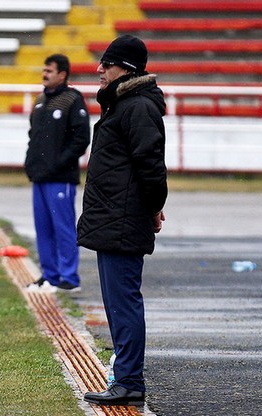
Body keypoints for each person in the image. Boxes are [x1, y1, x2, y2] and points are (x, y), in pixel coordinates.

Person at [77, 35, 168, 406]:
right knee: (116, 303)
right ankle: (125, 376)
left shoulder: (136, 107)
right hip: (113, 217)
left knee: (124, 302)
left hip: (122, 218)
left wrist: (152, 207)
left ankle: (129, 380)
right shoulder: (124, 104)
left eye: (107, 64)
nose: (99, 69)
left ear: (126, 69)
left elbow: (151, 166)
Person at [24, 54, 91, 294]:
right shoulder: (41, 100)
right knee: (43, 228)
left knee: (62, 228)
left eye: (49, 71)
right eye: (44, 70)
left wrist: (59, 164)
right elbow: (34, 136)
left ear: (62, 75)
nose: (44, 74)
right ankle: (49, 276)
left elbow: (81, 138)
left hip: (60, 178)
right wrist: (30, 164)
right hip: (40, 177)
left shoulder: (72, 100)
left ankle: (69, 278)